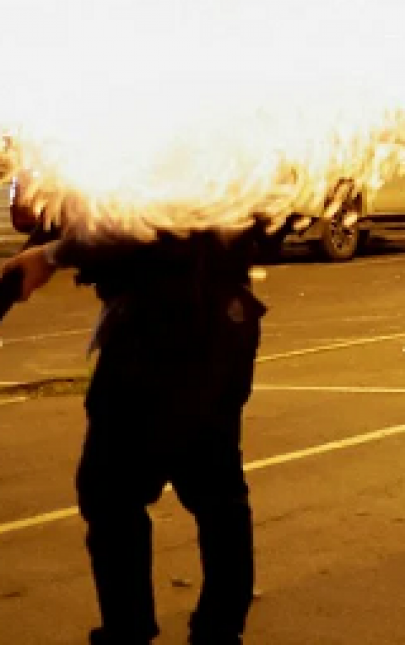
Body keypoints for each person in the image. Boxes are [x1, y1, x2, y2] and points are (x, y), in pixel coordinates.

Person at [1, 216, 265, 645]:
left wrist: (53, 254)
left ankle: (130, 632)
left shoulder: (152, 158)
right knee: (216, 489)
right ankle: (219, 630)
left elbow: (138, 223)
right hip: (223, 320)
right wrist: (41, 253)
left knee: (111, 493)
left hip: (162, 330)